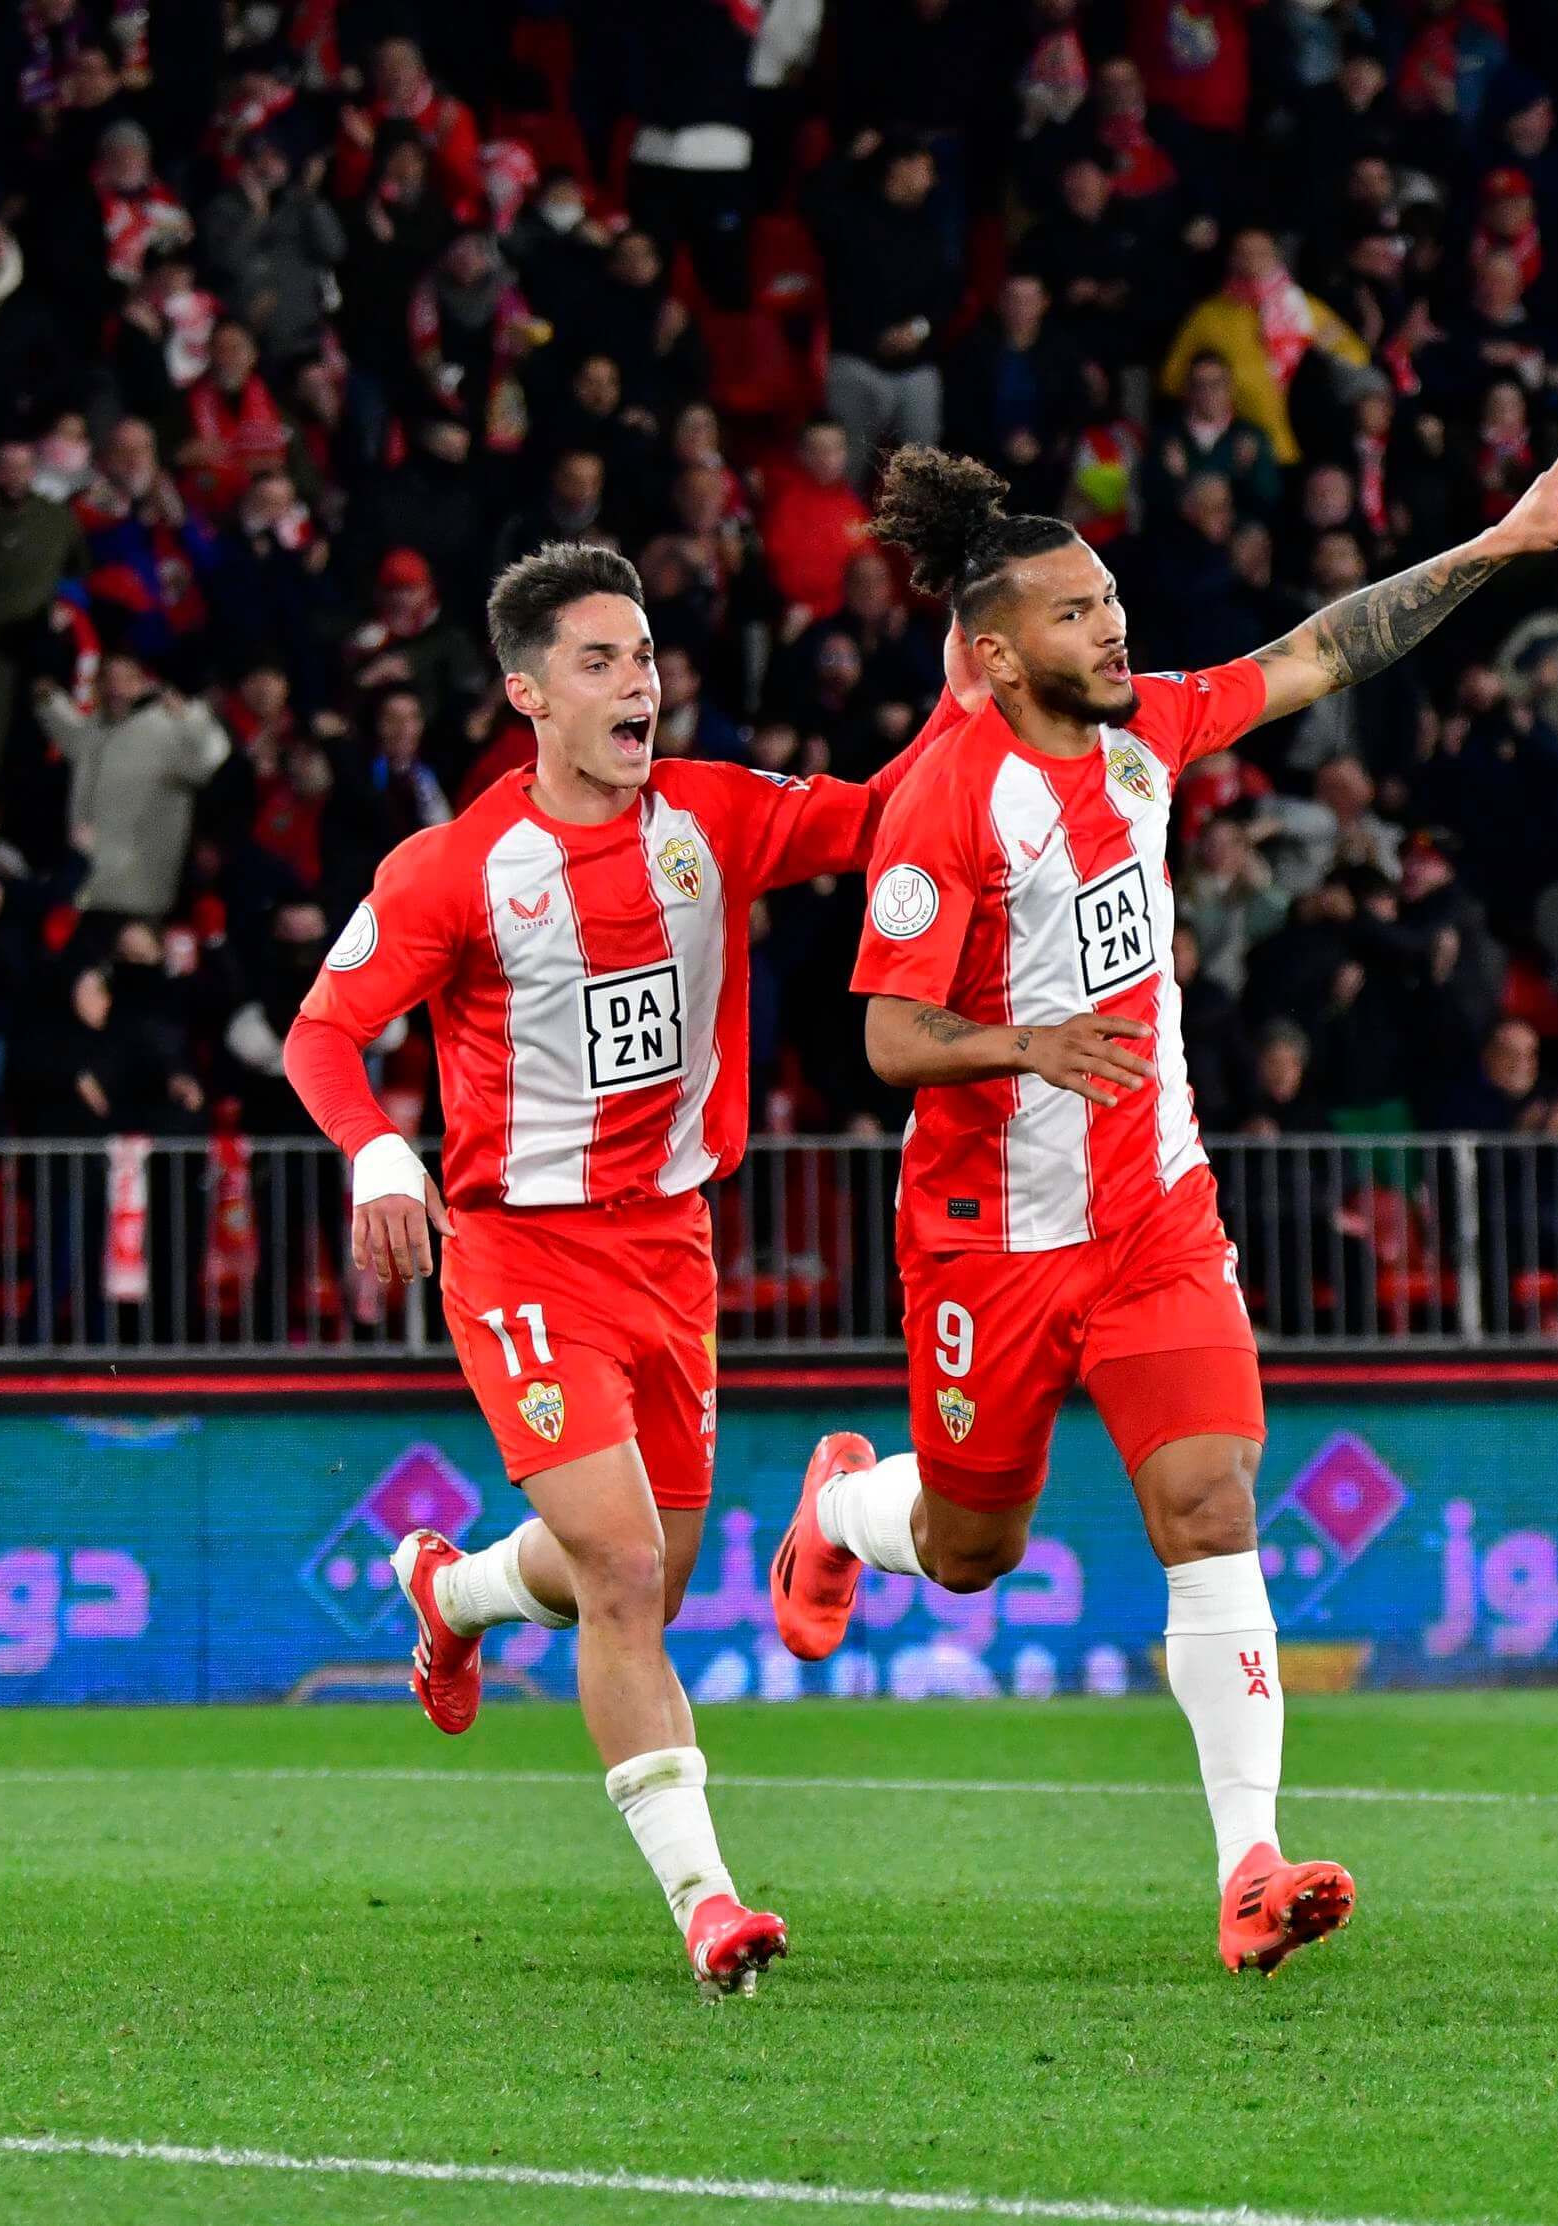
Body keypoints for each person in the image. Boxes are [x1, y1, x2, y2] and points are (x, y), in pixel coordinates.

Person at [768, 433, 1558, 1975]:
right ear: (992, 651)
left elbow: (1316, 651)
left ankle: (1249, 1866)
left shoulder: (1149, 730)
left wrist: (1493, 546)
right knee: (971, 1549)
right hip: (989, 1239)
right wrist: (1028, 1041)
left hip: (1155, 1206)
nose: (1115, 629)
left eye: (1112, 603)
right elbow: (887, 1036)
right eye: (1079, 612)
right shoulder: (947, 805)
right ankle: (835, 1507)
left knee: (1211, 1502)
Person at [280, 544, 959, 1998]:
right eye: (598, 661)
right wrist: (378, 1154)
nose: (636, 681)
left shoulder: (712, 815)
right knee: (627, 1564)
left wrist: (971, 697)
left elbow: (881, 815)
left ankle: (452, 1597)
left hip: (673, 1245)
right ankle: (709, 1904)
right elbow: (322, 1034)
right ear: (528, 693)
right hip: (519, 1250)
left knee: (649, 1569)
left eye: (644, 655)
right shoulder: (455, 869)